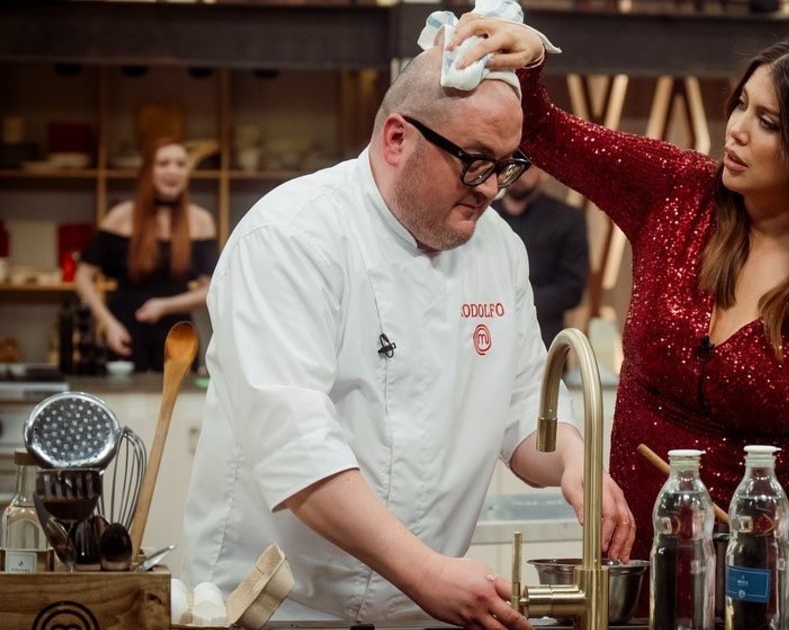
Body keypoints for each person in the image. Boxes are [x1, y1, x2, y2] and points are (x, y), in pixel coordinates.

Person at [182, 47, 633, 629]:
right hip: (278, 607)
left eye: (506, 166)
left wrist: (573, 460)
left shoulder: (498, 249)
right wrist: (425, 572)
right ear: (397, 139)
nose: (491, 189)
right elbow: (296, 450)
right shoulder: (290, 236)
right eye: (475, 162)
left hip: (418, 612)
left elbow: (523, 411)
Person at [450, 21, 789, 564]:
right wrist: (530, 61)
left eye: (767, 122)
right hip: (636, 554)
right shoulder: (678, 191)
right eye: (741, 104)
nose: (736, 129)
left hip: (764, 563)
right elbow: (544, 132)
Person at [75, 137, 218, 372]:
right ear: (147, 171)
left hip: (178, 340)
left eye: (180, 164)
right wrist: (108, 324)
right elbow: (83, 276)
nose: (173, 171)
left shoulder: (201, 221)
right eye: (163, 163)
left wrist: (164, 306)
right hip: (124, 336)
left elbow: (211, 288)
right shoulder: (120, 216)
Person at [493, 165, 589, 347]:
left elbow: (572, 289)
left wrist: (516, 303)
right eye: (512, 165)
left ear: (544, 172)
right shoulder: (484, 215)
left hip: (541, 339)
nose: (518, 174)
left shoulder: (567, 219)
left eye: (526, 167)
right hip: (485, 332)